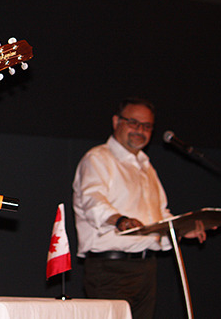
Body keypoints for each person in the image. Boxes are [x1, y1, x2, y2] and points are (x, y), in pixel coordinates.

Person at [72, 97, 206, 319]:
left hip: (145, 268)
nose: (140, 130)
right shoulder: (98, 158)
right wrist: (119, 220)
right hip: (111, 269)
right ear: (116, 121)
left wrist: (182, 228)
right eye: (133, 123)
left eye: (147, 126)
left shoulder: (146, 165)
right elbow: (92, 200)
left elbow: (159, 214)